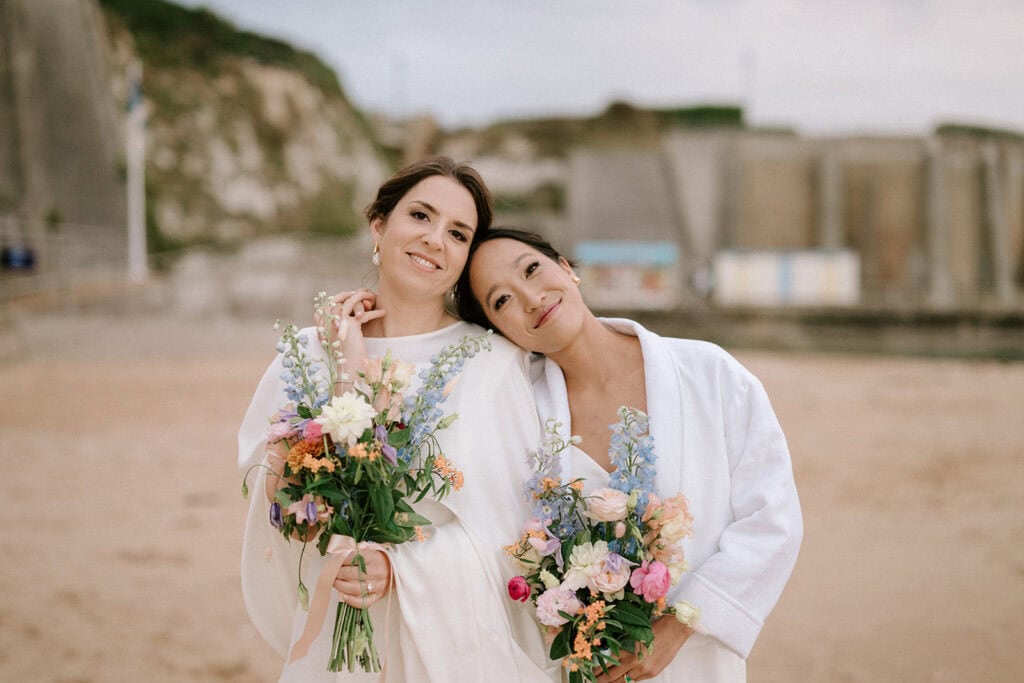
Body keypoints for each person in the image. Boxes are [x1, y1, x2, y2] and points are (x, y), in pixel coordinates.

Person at [238, 162, 560, 682]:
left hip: (456, 647)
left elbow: (519, 527)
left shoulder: (493, 362)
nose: (435, 240)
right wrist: (345, 370)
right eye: (420, 216)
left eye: (458, 234)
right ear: (379, 225)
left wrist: (406, 570)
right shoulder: (307, 352)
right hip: (339, 630)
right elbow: (272, 501)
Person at [455, 227, 803, 683]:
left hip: (699, 663)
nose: (531, 298)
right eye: (501, 300)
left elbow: (771, 518)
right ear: (497, 330)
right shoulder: (519, 417)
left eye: (532, 270)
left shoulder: (710, 373)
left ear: (565, 267)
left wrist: (677, 626)